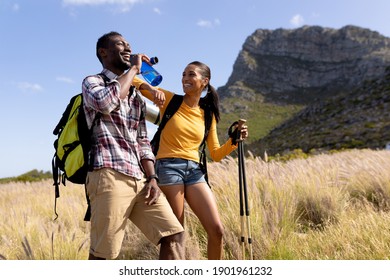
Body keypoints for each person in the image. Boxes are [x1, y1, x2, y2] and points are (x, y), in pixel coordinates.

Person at [82, 31, 185, 260]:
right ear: (104, 52)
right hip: (108, 174)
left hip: (140, 180)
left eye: (129, 45)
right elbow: (105, 102)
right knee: (104, 255)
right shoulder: (93, 82)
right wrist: (134, 69)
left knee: (174, 235)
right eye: (121, 44)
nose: (128, 48)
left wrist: (152, 178)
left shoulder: (136, 97)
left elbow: (142, 141)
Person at [136, 61, 249, 260]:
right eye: (183, 75)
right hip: (168, 167)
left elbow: (214, 153)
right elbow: (133, 83)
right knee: (175, 234)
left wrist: (234, 140)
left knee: (217, 231)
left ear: (204, 81)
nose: (185, 79)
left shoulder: (208, 114)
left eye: (191, 75)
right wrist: (148, 86)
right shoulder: (170, 99)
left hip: (195, 171)